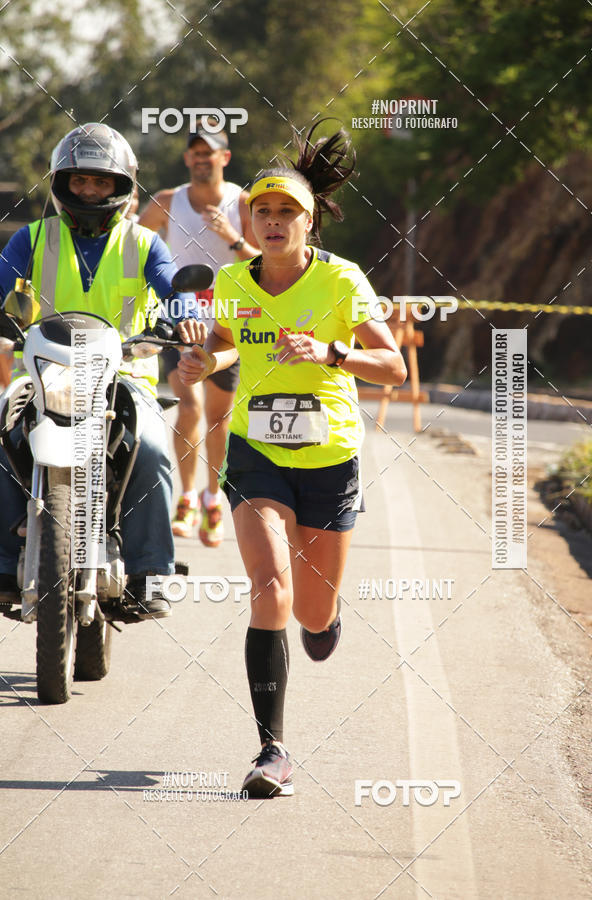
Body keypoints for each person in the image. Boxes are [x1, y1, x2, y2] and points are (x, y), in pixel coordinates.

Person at [178, 120, 407, 797]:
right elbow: (224, 345)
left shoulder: (341, 282)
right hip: (256, 453)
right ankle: (271, 751)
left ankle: (326, 615)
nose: (275, 222)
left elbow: (392, 368)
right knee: (269, 589)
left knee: (310, 613)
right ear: (249, 218)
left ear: (311, 222)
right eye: (264, 211)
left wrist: (332, 353)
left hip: (329, 457)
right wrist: (201, 361)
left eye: (288, 212)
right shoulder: (233, 281)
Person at [0, 123, 205, 619]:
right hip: (43, 373)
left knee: (154, 446)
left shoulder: (144, 243)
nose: (90, 190)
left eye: (101, 182)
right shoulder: (32, 238)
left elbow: (175, 289)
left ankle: (151, 570)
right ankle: (5, 563)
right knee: (1, 429)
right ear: (62, 183)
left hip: (125, 376)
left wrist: (188, 317)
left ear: (121, 187)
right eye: (80, 181)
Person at [139, 127, 259, 545]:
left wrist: (234, 238)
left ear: (225, 158)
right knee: (187, 408)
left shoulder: (242, 203)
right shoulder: (167, 202)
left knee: (219, 418)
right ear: (187, 159)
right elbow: (133, 247)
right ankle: (186, 497)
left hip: (227, 323)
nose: (202, 159)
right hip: (179, 320)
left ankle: (213, 499)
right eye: (195, 153)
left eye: (210, 153)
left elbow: (267, 260)